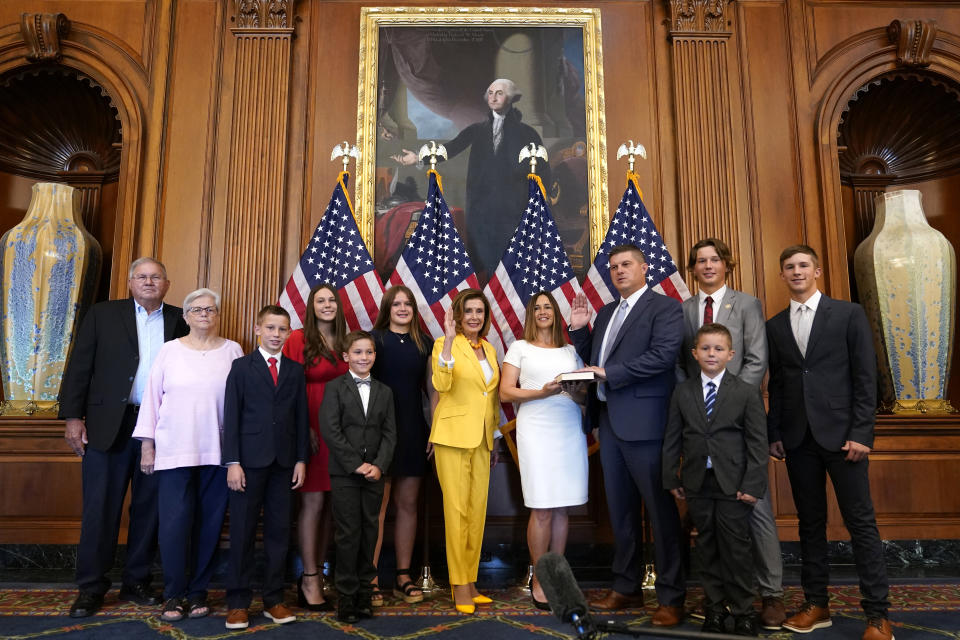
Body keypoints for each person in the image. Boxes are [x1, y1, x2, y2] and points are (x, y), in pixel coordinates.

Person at [766, 245, 893, 640]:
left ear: (817, 271)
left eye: (804, 265)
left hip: (844, 439)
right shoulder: (775, 325)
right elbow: (782, 384)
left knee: (861, 524)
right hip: (798, 439)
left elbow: (865, 377)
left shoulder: (849, 314)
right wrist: (775, 434)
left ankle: (877, 615)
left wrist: (861, 433)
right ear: (782, 275)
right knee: (810, 525)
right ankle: (816, 603)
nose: (797, 271)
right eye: (790, 267)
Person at [58, 257, 188, 618]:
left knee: (149, 511)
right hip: (106, 426)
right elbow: (79, 366)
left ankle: (137, 582)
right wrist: (73, 418)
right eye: (142, 277)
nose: (149, 282)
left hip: (159, 430)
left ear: (167, 283)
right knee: (100, 509)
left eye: (156, 277)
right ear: (130, 282)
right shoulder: (103, 314)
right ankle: (91, 588)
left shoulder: (180, 319)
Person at [568, 244, 686, 626]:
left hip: (649, 425)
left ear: (644, 267)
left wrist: (610, 375)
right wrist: (578, 330)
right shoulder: (604, 313)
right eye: (614, 266)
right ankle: (626, 587)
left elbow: (663, 356)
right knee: (620, 514)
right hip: (611, 427)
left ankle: (670, 596)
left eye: (626, 265)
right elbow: (597, 362)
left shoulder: (665, 308)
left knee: (661, 514)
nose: (619, 271)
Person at [679, 238, 785, 629]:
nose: (707, 266)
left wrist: (730, 400)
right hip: (699, 428)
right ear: (692, 269)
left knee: (754, 508)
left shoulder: (747, 304)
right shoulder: (686, 309)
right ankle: (719, 600)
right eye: (700, 261)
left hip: (740, 422)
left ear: (726, 265)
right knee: (709, 521)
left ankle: (771, 593)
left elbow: (758, 359)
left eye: (714, 260)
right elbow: (682, 364)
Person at [133, 288, 243, 620]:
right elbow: (152, 398)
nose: (204, 315)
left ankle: (197, 593)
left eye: (210, 310)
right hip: (173, 451)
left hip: (218, 453)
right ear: (186, 316)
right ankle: (173, 594)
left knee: (209, 525)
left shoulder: (233, 351)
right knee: (173, 525)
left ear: (218, 315)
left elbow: (242, 404)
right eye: (197, 310)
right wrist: (147, 446)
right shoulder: (169, 351)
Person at [663, 323, 768, 636]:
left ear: (731, 354)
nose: (712, 354)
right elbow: (672, 438)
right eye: (705, 348)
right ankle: (714, 609)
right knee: (706, 547)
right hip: (697, 483)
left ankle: (744, 611)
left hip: (734, 484)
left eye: (718, 349)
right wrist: (671, 475)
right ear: (694, 353)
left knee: (736, 549)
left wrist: (752, 485)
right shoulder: (683, 391)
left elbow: (757, 443)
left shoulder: (745, 392)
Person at [393, 79, 549, 279]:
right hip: (481, 209)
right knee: (484, 262)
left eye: (499, 93)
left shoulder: (528, 133)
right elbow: (452, 147)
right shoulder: (477, 130)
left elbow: (543, 170)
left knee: (513, 265)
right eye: (490, 93)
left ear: (510, 98)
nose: (493, 97)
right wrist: (418, 157)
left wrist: (538, 203)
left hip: (514, 208)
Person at [500, 291, 588, 610]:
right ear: (530, 315)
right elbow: (505, 392)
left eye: (548, 307)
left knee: (562, 507)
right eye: (537, 308)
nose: (542, 312)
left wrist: (574, 391)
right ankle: (539, 577)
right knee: (542, 507)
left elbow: (583, 397)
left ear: (556, 313)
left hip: (568, 429)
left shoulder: (570, 350)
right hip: (536, 429)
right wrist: (542, 391)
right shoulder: (519, 348)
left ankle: (557, 576)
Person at [222, 305, 309, 630]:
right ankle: (238, 602)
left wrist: (301, 459)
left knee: (278, 533)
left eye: (282, 329)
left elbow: (301, 418)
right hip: (247, 464)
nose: (276, 334)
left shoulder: (295, 371)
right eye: (270, 328)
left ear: (289, 333)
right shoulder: (241, 367)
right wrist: (233, 462)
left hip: (284, 463)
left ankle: (274, 599)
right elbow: (231, 416)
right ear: (257, 329)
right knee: (242, 532)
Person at [430, 289, 501, 614]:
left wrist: (496, 435)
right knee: (456, 512)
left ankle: (471, 582)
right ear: (458, 316)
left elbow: (492, 397)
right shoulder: (444, 346)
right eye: (468, 311)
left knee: (476, 513)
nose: (474, 317)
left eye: (480, 312)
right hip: (453, 438)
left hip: (483, 439)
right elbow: (442, 385)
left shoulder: (488, 347)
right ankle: (458, 584)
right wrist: (446, 340)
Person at [320, 331, 398, 623]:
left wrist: (378, 465)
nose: (363, 358)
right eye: (357, 353)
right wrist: (356, 464)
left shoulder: (384, 391)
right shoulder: (335, 388)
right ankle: (347, 596)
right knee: (348, 533)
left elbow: (390, 434)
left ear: (375, 356)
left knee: (370, 532)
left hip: (375, 474)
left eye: (368, 352)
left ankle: (366, 592)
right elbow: (331, 430)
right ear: (346, 356)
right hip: (345, 473)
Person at [281, 283, 347, 611]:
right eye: (320, 300)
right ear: (311, 306)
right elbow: (289, 387)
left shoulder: (346, 341)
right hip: (311, 429)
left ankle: (320, 573)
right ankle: (307, 577)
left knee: (334, 506)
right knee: (313, 504)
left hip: (341, 432)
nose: (327, 305)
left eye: (331, 300)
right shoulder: (297, 339)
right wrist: (303, 427)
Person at [370, 285, 433, 605]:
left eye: (408, 303)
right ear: (387, 308)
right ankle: (371, 577)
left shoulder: (426, 343)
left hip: (412, 429)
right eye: (397, 304)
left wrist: (434, 429)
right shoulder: (374, 340)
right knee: (377, 509)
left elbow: (433, 391)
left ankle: (403, 576)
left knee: (407, 505)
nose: (403, 308)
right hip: (379, 431)